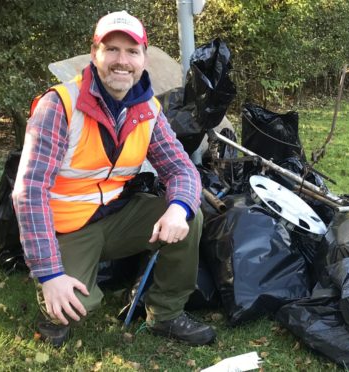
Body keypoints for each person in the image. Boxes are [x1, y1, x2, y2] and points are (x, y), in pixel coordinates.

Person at [12, 10, 215, 347]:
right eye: (112, 50)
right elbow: (30, 192)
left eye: (132, 51)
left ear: (143, 58)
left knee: (190, 216)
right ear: (95, 54)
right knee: (75, 306)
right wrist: (49, 274)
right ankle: (52, 311)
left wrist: (179, 207)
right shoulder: (59, 105)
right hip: (69, 228)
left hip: (117, 216)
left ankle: (165, 314)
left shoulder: (149, 109)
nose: (122, 61)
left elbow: (181, 168)